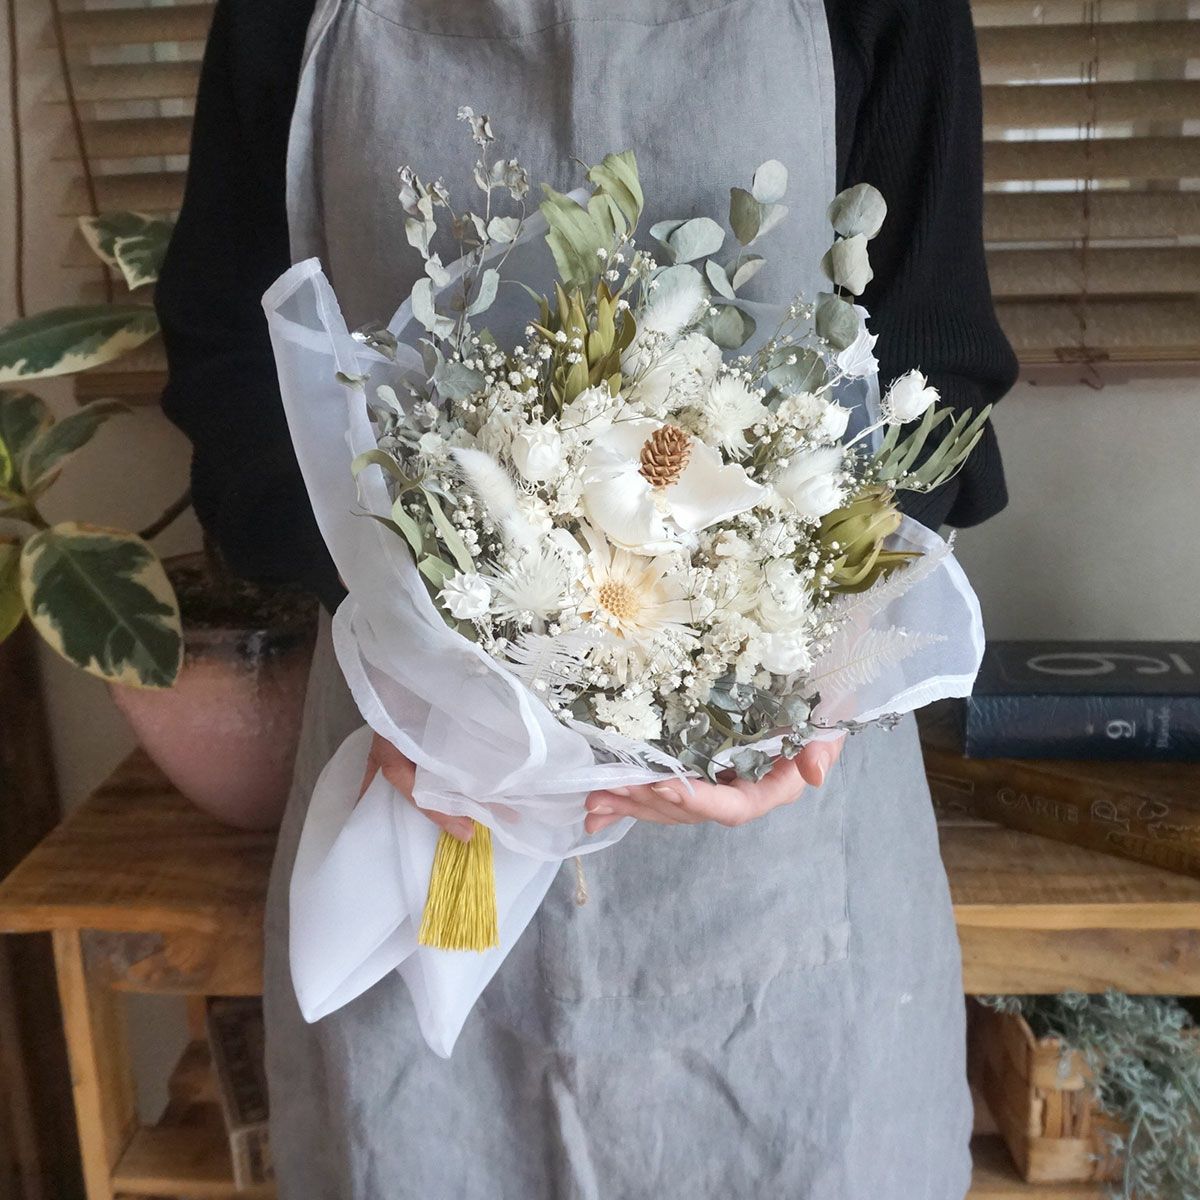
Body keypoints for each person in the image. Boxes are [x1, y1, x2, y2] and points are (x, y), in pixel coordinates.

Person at [157, 0, 1018, 1195]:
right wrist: (422, 660)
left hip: (779, 848)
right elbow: (229, 366)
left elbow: (937, 371)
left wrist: (814, 691)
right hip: (420, 794)